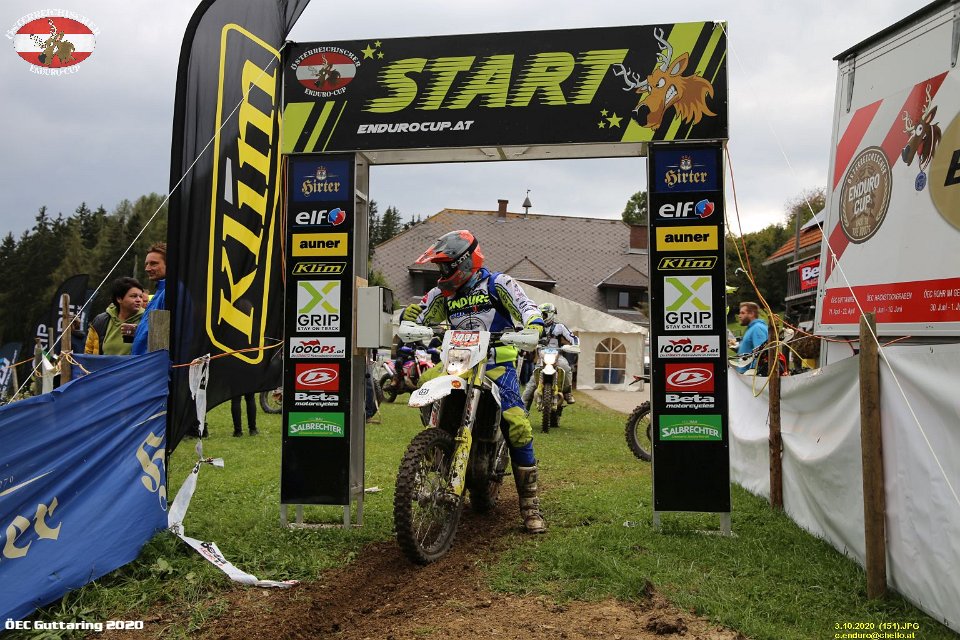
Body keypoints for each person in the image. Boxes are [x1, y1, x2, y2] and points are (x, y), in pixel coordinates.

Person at [401, 230, 547, 534]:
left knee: (517, 423)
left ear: (465, 261)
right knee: (426, 384)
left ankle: (530, 504)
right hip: (458, 363)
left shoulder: (498, 283)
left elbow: (527, 306)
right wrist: (409, 316)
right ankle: (438, 449)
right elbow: (420, 315)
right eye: (440, 267)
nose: (442, 273)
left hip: (496, 363)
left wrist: (533, 324)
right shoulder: (442, 294)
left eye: (446, 266)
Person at [522, 302, 579, 409]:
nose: (542, 317)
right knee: (530, 387)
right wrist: (526, 344)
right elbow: (528, 337)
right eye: (540, 315)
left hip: (557, 357)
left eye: (543, 314)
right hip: (542, 359)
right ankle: (523, 411)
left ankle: (568, 392)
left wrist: (575, 345)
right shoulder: (537, 328)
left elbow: (572, 337)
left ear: (550, 314)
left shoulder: (559, 327)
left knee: (566, 367)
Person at [84, 277, 145, 356]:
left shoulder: (147, 320)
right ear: (119, 299)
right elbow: (88, 353)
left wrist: (140, 332)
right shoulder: (100, 321)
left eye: (141, 296)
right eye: (133, 296)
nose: (139, 300)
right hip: (104, 364)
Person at [130, 242, 167, 356]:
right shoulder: (160, 292)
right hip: (143, 361)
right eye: (146, 264)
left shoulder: (168, 293)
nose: (147, 268)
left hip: (150, 363)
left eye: (153, 264)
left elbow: (160, 342)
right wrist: (138, 331)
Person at [735, 301, 768, 373]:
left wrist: (751, 372)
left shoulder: (757, 328)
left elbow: (760, 353)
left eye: (742, 313)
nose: (739, 316)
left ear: (751, 314)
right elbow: (749, 350)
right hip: (745, 374)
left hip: (750, 376)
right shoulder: (751, 328)